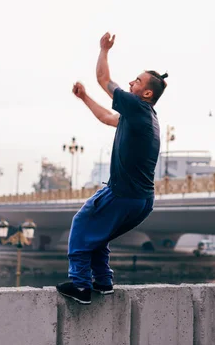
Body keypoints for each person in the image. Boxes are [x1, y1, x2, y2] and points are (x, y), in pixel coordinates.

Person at [55, 32, 168, 305]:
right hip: (142, 201)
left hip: (122, 193)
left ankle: (81, 286)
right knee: (99, 233)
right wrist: (84, 98)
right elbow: (107, 117)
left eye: (137, 81)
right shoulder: (145, 118)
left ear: (147, 93)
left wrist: (103, 50)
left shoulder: (137, 107)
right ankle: (103, 282)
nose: (131, 83)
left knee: (82, 224)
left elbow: (104, 79)